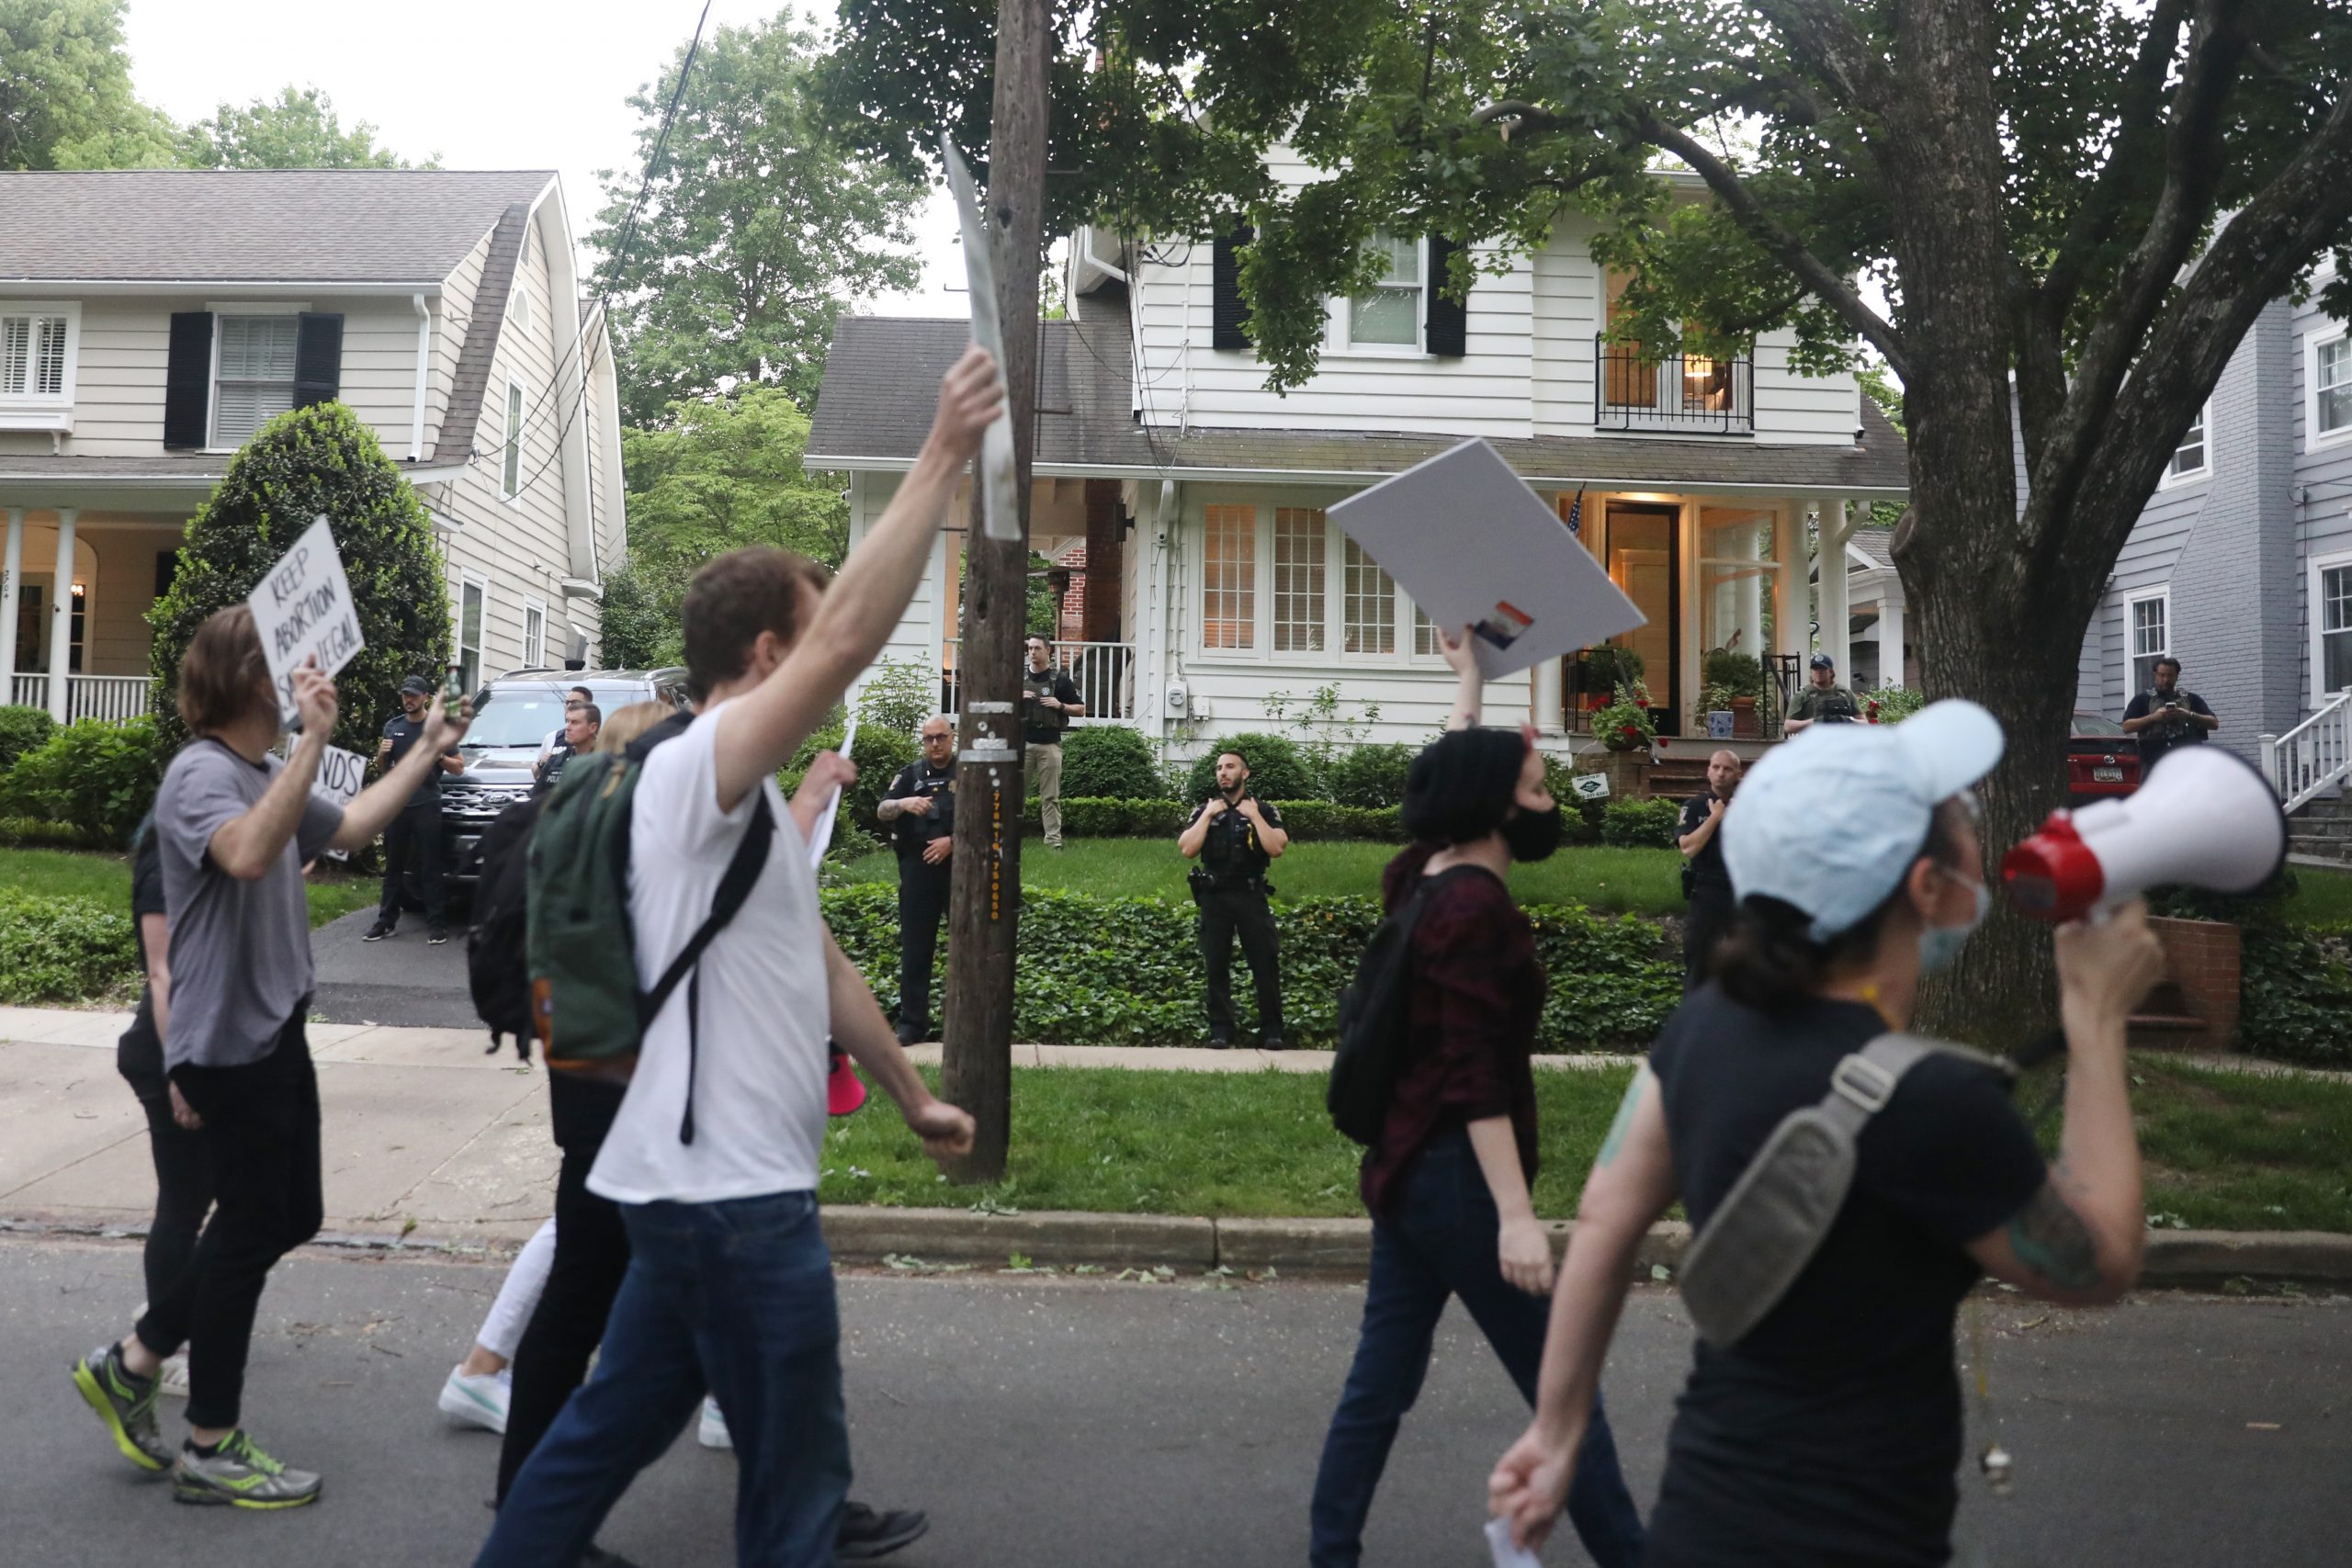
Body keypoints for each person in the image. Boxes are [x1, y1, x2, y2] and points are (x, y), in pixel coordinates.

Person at [478, 344, 998, 1568]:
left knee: (599, 1440)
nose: (829, 667)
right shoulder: (696, 769)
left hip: (694, 1187)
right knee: (799, 1485)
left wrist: (914, 1092)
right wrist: (940, 454)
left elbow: (810, 960)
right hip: (729, 1198)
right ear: (767, 653)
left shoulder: (744, 800)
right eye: (808, 643)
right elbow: (852, 643)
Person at [1488, 701, 2166, 1564]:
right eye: (1959, 826)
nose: (1976, 844)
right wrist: (2096, 1014)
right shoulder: (1934, 1098)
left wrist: (1556, 1434)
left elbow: (1602, 1224)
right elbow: (2099, 1261)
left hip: (1699, 1522)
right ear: (1925, 889)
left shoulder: (1705, 1030)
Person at [73, 606, 472, 1507]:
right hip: (226, 1044)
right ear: (258, 681)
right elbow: (251, 855)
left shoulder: (258, 772)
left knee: (291, 1214)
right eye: (292, 663)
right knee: (249, 1230)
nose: (312, 671)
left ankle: (133, 1360)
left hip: (276, 1028)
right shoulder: (202, 776)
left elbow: (355, 826)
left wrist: (425, 747)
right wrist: (312, 742)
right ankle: (210, 1441)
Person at [1309, 627, 1646, 1568]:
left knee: (1378, 1384)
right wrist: (1514, 1218)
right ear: (1494, 809)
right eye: (1535, 791)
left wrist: (1470, 681)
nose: (1547, 802)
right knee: (1563, 1395)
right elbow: (1474, 1069)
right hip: (1456, 1179)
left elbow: (1446, 781)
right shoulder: (1472, 911)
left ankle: (1327, 1554)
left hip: (1403, 1169)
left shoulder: (1423, 877)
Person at [114, 812, 206, 1400]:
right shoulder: (164, 857)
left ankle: (171, 1311)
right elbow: (162, 971)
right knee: (185, 1199)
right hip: (164, 1052)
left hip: (197, 1046)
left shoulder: (201, 849)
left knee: (207, 1193)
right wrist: (183, 1074)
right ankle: (164, 1347)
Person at [1177, 748, 1289, 1049]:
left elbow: (1277, 847)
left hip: (1251, 895)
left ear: (1244, 773)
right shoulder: (1204, 809)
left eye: (1229, 767)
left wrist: (1253, 816)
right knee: (1216, 964)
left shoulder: (1263, 810)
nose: (1223, 772)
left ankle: (1272, 1031)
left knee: (1264, 964)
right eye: (1218, 768)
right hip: (1215, 897)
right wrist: (1210, 815)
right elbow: (1187, 848)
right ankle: (1221, 1030)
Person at [365, 673, 465, 943]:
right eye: (404, 695)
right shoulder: (393, 727)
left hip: (426, 804)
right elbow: (383, 769)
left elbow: (459, 767)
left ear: (425, 697)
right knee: (393, 867)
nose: (407, 699)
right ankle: (385, 921)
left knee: (430, 867)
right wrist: (381, 755)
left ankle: (437, 924)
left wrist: (439, 755)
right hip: (398, 805)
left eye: (413, 695)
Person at [876, 716, 956, 1044]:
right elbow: (882, 809)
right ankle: (912, 1024)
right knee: (915, 950)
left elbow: (992, 819)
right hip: (917, 872)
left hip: (959, 873)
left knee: (966, 950)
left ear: (953, 737)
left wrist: (953, 841)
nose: (934, 744)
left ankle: (965, 1023)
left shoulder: (969, 773)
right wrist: (904, 803)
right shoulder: (911, 775)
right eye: (928, 739)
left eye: (940, 737)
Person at [1676, 750, 1742, 991]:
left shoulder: (1751, 806)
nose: (1720, 773)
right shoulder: (1695, 807)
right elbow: (1688, 848)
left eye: (1727, 769)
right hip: (1707, 891)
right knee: (1698, 963)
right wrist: (1715, 818)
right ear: (1708, 771)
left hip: (1741, 891)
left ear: (1737, 774)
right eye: (1715, 767)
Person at [1021, 635, 1083, 848]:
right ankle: (1009, 837)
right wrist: (1017, 696)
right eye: (1030, 648)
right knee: (1014, 795)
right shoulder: (1017, 677)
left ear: (1048, 650)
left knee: (1050, 797)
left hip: (1050, 745)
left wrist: (1060, 705)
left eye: (1037, 648)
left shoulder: (1061, 679)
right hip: (1023, 744)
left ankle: (1053, 841)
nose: (1032, 652)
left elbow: (1081, 709)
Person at [2121, 655, 2218, 773]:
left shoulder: (2191, 699)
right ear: (2155, 675)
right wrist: (2153, 718)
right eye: (2162, 675)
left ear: (2177, 676)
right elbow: (2126, 726)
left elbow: (2214, 723)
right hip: (2153, 762)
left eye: (2170, 676)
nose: (2165, 680)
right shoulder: (2142, 700)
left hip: (2187, 762)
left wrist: (2189, 715)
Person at [534, 701, 601, 797]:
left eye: (574, 722)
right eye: (567, 721)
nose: (567, 727)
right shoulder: (555, 762)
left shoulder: (608, 762)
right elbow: (535, 798)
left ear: (593, 727)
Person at [1781, 652, 1860, 733]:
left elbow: (1864, 723)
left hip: (1841, 742)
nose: (1819, 672)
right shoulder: (1802, 695)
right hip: (1814, 742)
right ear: (1811, 672)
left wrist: (1847, 721)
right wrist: (1815, 722)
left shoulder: (1845, 694)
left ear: (1831, 672)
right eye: (1815, 669)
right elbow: (1788, 726)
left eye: (1823, 669)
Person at [535, 685, 596, 779]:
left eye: (575, 703)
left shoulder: (602, 739)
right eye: (567, 702)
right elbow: (536, 774)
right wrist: (541, 764)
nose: (569, 706)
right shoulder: (553, 737)